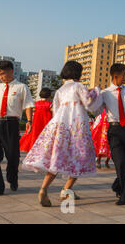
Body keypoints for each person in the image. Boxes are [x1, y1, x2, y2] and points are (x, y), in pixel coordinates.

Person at [22, 61, 101, 207]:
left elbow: (55, 111)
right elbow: (89, 103)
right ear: (78, 73)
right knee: (79, 158)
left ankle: (43, 189)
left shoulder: (60, 90)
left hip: (60, 126)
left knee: (57, 159)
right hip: (77, 126)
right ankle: (66, 189)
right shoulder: (79, 87)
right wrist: (96, 91)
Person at [94, 63, 125, 205]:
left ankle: (117, 185)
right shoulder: (104, 94)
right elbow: (95, 111)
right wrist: (93, 96)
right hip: (115, 131)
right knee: (120, 162)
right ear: (116, 76)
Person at [0, 60, 34, 195]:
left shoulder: (22, 87)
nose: (0, 77)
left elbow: (28, 105)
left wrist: (29, 120)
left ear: (11, 71)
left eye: (2, 74)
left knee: (12, 155)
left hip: (11, 123)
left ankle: (12, 178)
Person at [19, 88, 53, 153]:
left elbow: (32, 110)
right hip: (46, 122)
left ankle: (33, 148)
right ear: (49, 95)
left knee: (34, 134)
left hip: (36, 122)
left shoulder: (36, 103)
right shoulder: (50, 104)